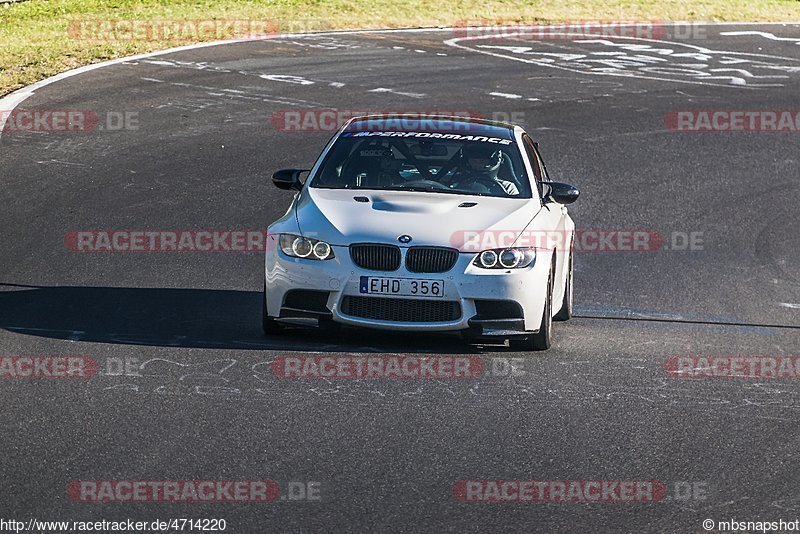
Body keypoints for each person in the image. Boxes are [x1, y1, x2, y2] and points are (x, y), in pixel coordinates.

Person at [451, 144, 520, 196]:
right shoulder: (454, 184)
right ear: (467, 161)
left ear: (493, 162)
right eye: (474, 161)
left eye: (482, 161)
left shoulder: (508, 188)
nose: (477, 165)